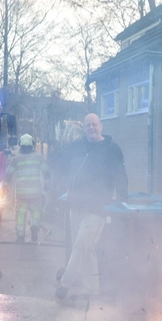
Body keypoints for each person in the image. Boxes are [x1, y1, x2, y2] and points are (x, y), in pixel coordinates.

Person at [50, 113, 128, 299]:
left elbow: (121, 174)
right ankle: (94, 289)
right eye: (88, 126)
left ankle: (65, 285)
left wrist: (122, 197)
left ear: (101, 126)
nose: (91, 128)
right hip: (75, 205)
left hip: (98, 207)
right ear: (84, 128)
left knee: (80, 246)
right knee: (87, 248)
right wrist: (59, 180)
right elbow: (57, 160)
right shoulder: (78, 146)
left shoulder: (112, 148)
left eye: (94, 124)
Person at [5, 133, 50, 243]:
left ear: (21, 145)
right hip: (35, 193)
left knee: (20, 215)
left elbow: (8, 174)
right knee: (36, 212)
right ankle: (35, 226)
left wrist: (4, 185)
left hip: (21, 194)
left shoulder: (16, 159)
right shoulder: (38, 157)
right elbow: (46, 172)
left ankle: (20, 236)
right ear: (32, 145)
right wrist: (47, 184)